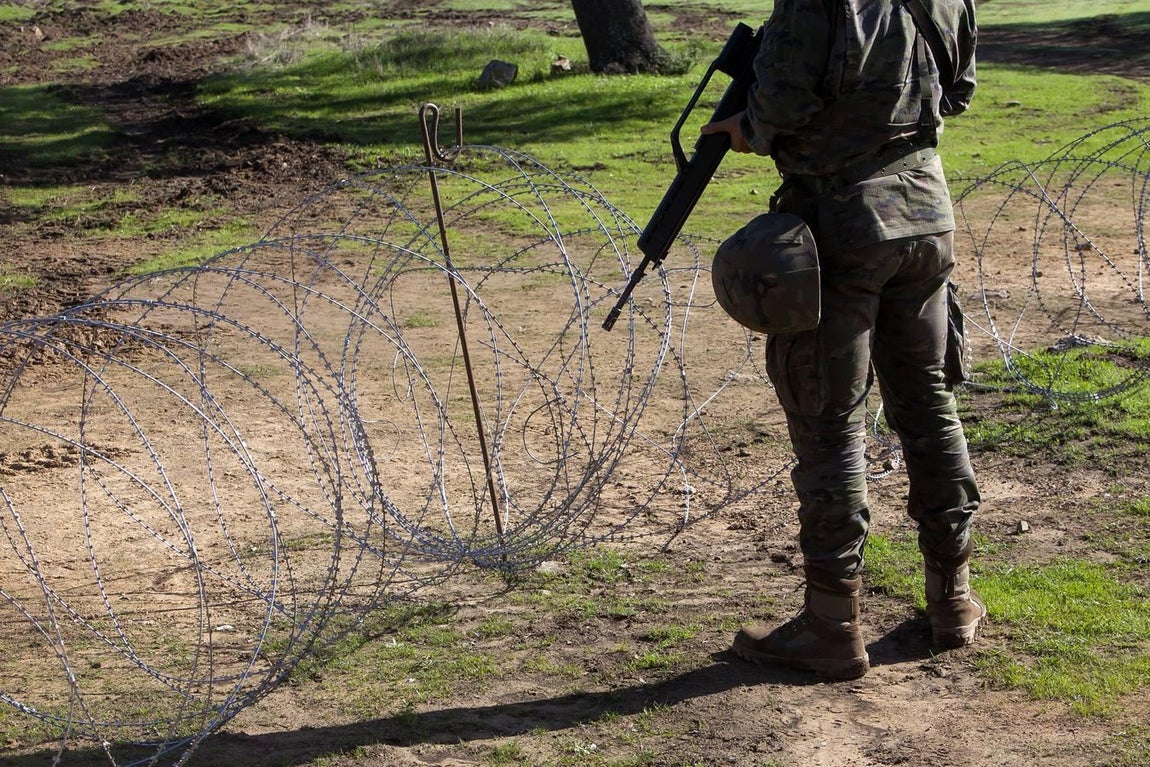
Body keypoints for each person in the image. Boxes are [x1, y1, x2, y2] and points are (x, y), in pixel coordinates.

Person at [700, 0, 984, 680]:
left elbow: (783, 102)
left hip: (841, 222)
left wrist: (746, 128)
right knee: (929, 407)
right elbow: (958, 91)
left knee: (830, 423)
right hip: (926, 213)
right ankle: (953, 598)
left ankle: (832, 623)